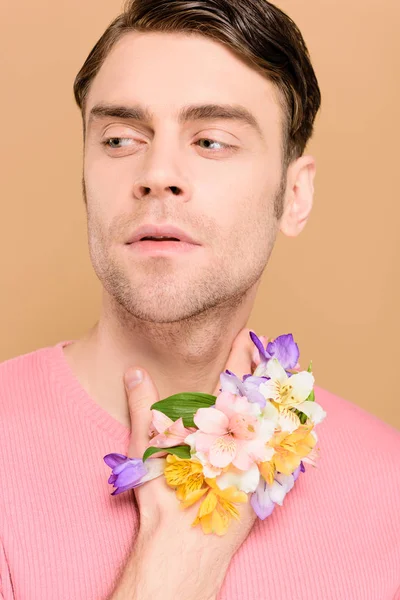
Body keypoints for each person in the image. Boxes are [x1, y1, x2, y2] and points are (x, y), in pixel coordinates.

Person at [1, 0, 399, 598]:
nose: (158, 171)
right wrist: (172, 570)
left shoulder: (390, 485)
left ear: (295, 195)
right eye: (119, 138)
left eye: (211, 141)